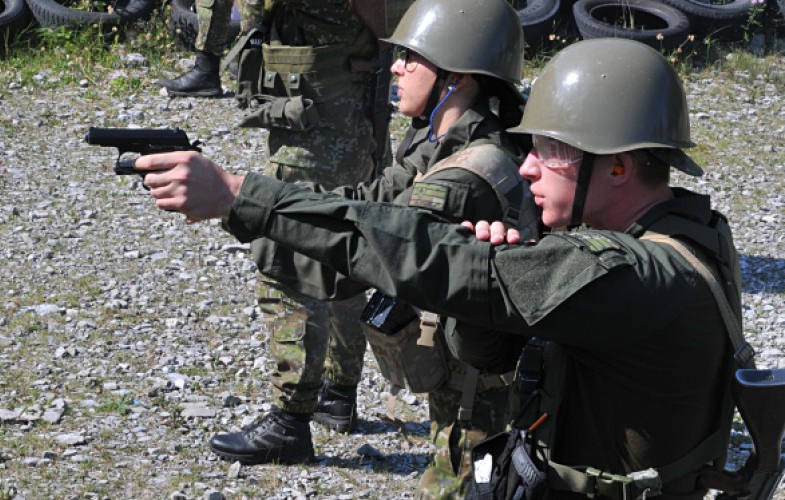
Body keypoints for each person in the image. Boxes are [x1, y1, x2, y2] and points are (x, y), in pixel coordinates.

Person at [134, 38, 744, 499]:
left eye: (551, 151)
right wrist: (490, 285)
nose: (528, 168)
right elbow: (491, 352)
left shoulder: (632, 272)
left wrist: (242, 195)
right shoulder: (689, 230)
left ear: (618, 166)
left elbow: (422, 252)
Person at [219, 1, 536, 492]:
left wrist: (243, 203)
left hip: (480, 406)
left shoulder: (458, 178)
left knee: (461, 485)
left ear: (455, 76)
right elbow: (369, 202)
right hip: (469, 384)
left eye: (411, 58)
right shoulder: (441, 137)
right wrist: (265, 205)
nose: (394, 66)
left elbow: (370, 247)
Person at [173, 0, 414, 469]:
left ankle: (290, 419)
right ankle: (337, 391)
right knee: (345, 243)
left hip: (316, 117)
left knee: (289, 254)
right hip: (358, 105)